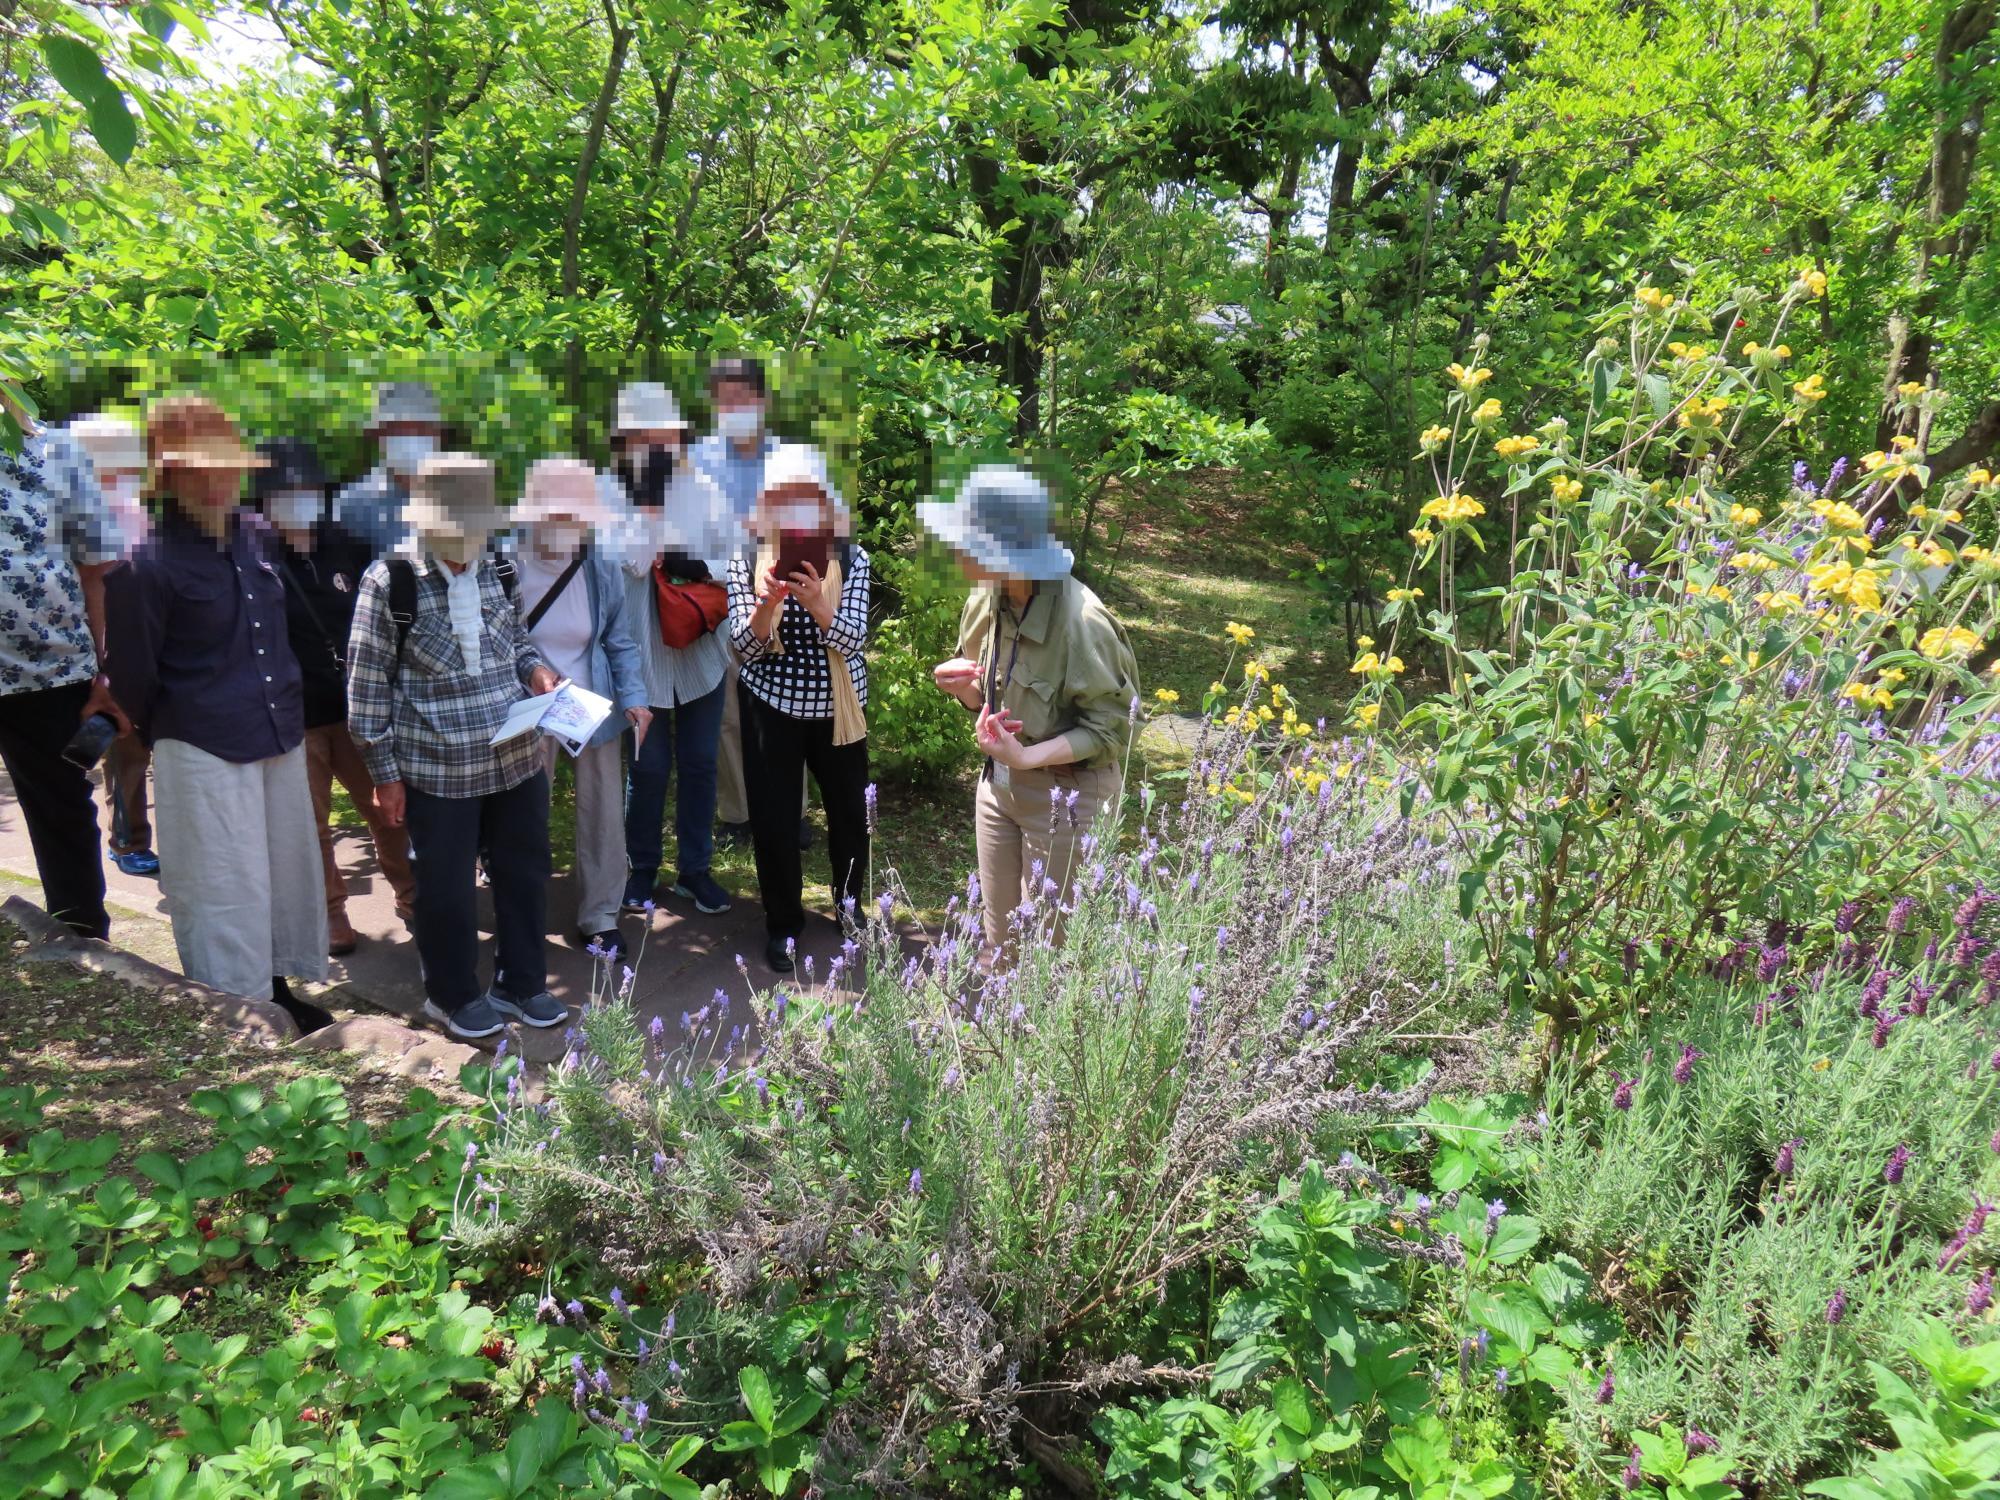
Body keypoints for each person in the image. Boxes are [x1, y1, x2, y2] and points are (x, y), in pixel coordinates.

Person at [103, 396, 332, 1030]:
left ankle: (277, 990)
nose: (221, 479)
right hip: (202, 741)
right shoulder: (144, 563)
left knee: (281, 872)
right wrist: (168, 734)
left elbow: (277, 628)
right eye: (202, 468)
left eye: (227, 465)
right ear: (169, 478)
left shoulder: (257, 535)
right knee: (224, 884)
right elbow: (136, 677)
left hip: (277, 727)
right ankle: (239, 1009)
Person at [345, 452, 566, 1041]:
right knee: (445, 888)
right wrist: (384, 775)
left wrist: (537, 673)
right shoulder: (389, 581)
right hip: (436, 767)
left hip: (516, 753)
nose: (467, 540)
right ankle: (451, 994)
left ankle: (522, 982)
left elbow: (516, 643)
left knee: (525, 872)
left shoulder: (499, 567)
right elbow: (366, 690)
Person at [919, 464, 1138, 963]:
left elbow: (1111, 731)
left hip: (1070, 797)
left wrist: (1028, 756)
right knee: (1000, 942)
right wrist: (965, 692)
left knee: (1053, 953)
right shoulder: (985, 599)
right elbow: (986, 698)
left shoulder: (1084, 622)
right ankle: (1003, 1035)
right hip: (999, 790)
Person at [252, 437, 418, 957]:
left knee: (389, 810)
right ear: (264, 498)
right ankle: (331, 914)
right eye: (285, 491)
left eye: (307, 488)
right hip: (292, 714)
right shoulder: (253, 558)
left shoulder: (345, 544)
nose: (298, 499)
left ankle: (413, 897)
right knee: (310, 821)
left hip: (356, 708)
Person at [725, 443, 872, 973]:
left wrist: (816, 605)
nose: (795, 507)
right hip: (772, 708)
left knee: (851, 819)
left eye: (806, 496)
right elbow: (741, 650)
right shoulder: (745, 557)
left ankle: (850, 911)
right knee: (775, 822)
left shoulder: (852, 557)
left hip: (840, 710)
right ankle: (783, 925)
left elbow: (854, 641)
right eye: (784, 497)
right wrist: (767, 604)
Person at [502, 456, 650, 959]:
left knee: (603, 813)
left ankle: (601, 914)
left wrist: (634, 699)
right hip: (525, 708)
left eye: (576, 515)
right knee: (523, 815)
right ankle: (520, 910)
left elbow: (619, 640)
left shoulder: (599, 566)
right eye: (557, 513)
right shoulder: (506, 565)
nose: (567, 524)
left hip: (589, 705)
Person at [607, 382, 738, 918]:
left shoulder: (705, 489)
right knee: (649, 766)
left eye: (666, 437)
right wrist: (651, 513)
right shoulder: (608, 495)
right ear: (625, 442)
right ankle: (640, 869)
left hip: (702, 651)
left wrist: (699, 564)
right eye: (645, 438)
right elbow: (626, 564)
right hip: (641, 654)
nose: (658, 448)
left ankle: (695, 869)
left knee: (702, 762)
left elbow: (736, 561)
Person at [0, 392, 124, 939]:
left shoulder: (56, 449)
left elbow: (97, 567)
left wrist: (105, 674)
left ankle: (82, 943)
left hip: (51, 673)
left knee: (62, 810)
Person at [691, 356, 810, 851]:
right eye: (724, 397)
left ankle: (792, 811)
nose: (732, 406)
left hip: (780, 595)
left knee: (785, 704)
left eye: (742, 396)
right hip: (717, 595)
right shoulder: (697, 459)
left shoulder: (791, 457)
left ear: (761, 400)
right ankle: (737, 812)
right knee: (727, 715)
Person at [65, 412, 158, 878]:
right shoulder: (78, 513)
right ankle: (128, 842)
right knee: (125, 753)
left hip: (151, 647)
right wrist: (103, 663)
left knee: (149, 749)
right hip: (109, 655)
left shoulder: (137, 511)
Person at [333, 381, 445, 553]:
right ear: (378, 436)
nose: (409, 438)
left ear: (436, 434)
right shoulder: (353, 503)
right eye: (397, 430)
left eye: (420, 428)